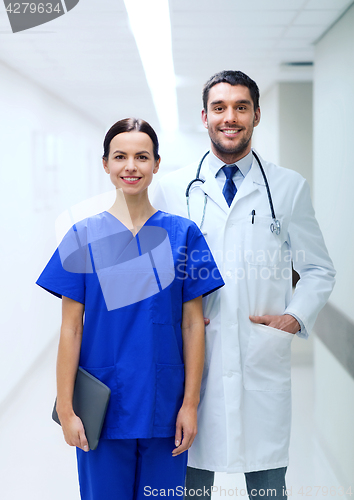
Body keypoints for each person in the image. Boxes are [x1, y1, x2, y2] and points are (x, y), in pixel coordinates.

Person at [152, 71, 336, 498]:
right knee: (189, 485)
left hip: (260, 357)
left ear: (256, 114)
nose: (229, 117)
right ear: (204, 116)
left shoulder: (288, 187)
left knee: (268, 487)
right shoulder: (173, 189)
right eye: (219, 108)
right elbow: (155, 275)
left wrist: (293, 317)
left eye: (240, 107)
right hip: (192, 363)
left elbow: (319, 269)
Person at [36, 118, 224, 500]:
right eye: (120, 156)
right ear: (105, 164)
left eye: (142, 156)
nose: (131, 167)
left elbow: (193, 326)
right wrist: (68, 409)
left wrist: (190, 405)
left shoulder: (183, 234)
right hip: (103, 410)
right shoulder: (82, 236)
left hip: (164, 406)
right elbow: (71, 329)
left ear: (156, 164)